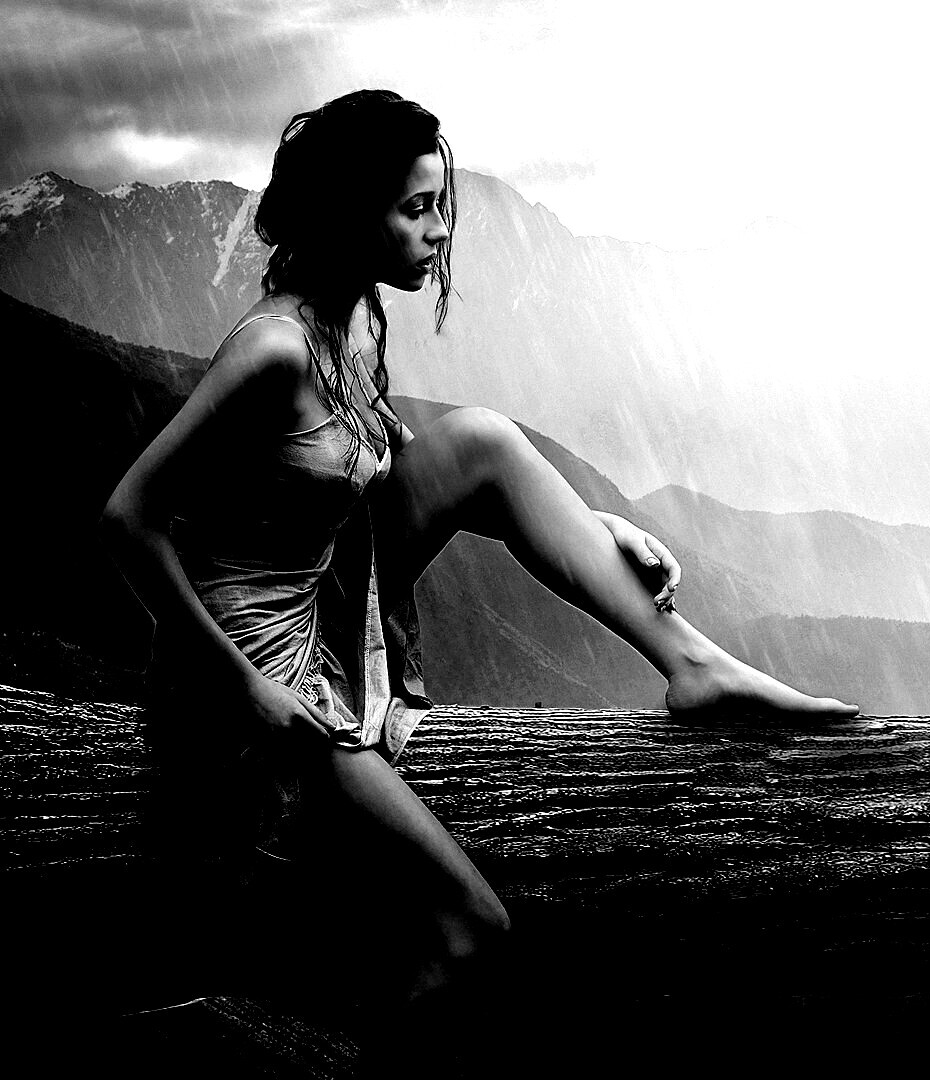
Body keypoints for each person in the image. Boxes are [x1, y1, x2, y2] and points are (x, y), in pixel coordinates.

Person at [99, 89, 858, 1021]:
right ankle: (346, 1062)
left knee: (484, 441)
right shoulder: (273, 351)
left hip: (324, 594)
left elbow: (393, 469)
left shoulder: (350, 320)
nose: (440, 231)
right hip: (249, 666)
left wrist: (590, 524)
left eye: (439, 205)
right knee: (473, 925)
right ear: (350, 216)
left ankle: (695, 665)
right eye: (415, 210)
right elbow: (128, 518)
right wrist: (244, 688)